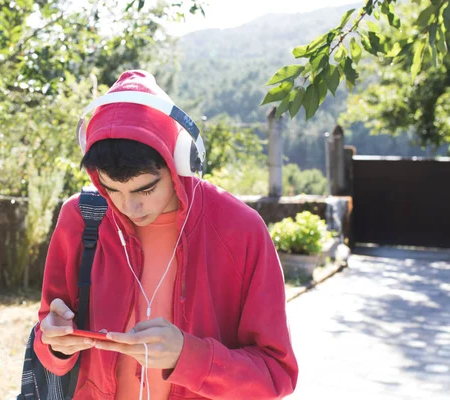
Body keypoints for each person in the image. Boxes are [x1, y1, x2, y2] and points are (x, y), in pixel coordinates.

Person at [34, 70, 298, 399]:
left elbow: (276, 375)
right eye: (111, 188)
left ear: (178, 160)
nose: (130, 206)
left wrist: (187, 356)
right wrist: (56, 343)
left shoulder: (240, 229)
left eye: (146, 188)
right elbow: (48, 339)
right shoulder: (82, 217)